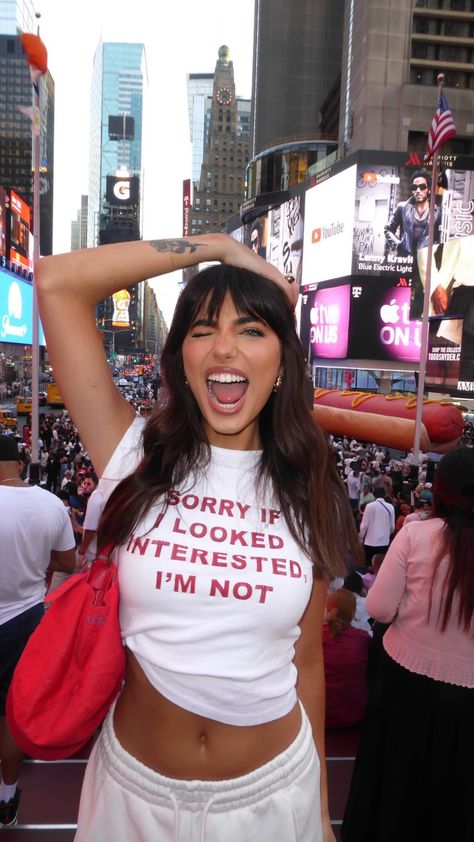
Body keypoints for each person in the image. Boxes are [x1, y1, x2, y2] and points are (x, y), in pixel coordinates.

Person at [36, 233, 360, 842]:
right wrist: (216, 248)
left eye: (252, 331)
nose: (224, 349)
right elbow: (56, 283)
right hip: (131, 799)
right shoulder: (133, 455)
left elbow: (305, 659)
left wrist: (318, 810)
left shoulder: (306, 481)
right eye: (204, 330)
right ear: (181, 360)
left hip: (270, 798)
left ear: (283, 363)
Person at [342, 447, 474, 842]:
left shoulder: (417, 534)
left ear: (442, 489)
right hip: (467, 702)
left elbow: (380, 608)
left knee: (396, 788)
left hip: (406, 687)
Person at [0, 435, 76, 826]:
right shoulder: (50, 505)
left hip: (19, 615)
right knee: (11, 712)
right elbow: (68, 560)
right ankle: (7, 797)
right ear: (19, 461)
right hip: (25, 617)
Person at [384, 170, 441, 319]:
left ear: (429, 189)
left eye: (422, 187)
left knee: (422, 300)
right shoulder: (402, 207)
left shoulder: (438, 212)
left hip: (425, 264)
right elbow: (388, 229)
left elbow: (441, 238)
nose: (418, 191)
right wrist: (398, 245)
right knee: (398, 298)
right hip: (405, 260)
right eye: (414, 187)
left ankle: (417, 327)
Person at [322, 589, 370, 728]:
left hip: (320, 713)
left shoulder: (314, 636)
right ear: (354, 612)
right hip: (353, 714)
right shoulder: (363, 639)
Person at [358, 487, 395, 567]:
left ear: (374, 494)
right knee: (381, 566)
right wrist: (386, 534)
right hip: (384, 542)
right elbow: (392, 527)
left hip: (370, 541)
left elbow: (364, 525)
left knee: (369, 565)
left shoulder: (369, 506)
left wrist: (361, 536)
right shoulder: (390, 507)